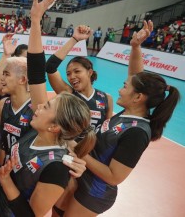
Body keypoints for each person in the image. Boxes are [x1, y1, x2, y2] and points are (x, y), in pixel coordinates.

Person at [0, 0, 96, 217]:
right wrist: (36, 21)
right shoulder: (38, 132)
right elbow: (38, 72)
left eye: (47, 106)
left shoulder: (57, 168)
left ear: (54, 126)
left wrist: (5, 181)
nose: (39, 105)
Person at [61, 21, 181, 216]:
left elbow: (114, 176)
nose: (119, 89)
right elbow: (136, 76)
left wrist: (77, 150)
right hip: (81, 176)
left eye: (125, 87)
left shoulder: (137, 132)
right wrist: (135, 47)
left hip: (94, 193)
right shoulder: (129, 112)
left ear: (137, 97)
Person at [45, 25, 113, 132]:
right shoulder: (68, 94)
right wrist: (75, 39)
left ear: (89, 72)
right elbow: (50, 66)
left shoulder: (106, 98)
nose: (72, 77)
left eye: (77, 71)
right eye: (68, 74)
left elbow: (107, 131)